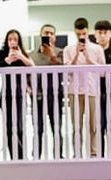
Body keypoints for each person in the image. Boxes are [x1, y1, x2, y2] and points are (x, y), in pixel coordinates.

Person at [65, 19, 103, 157]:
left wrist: (88, 57)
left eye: (84, 33)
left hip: (92, 91)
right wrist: (76, 54)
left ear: (88, 32)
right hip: (74, 91)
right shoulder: (68, 49)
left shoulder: (97, 49)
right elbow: (67, 72)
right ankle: (77, 154)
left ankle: (94, 153)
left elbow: (103, 71)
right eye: (78, 34)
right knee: (76, 126)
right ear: (75, 32)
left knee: (93, 125)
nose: (81, 36)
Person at [0, 29, 34, 160]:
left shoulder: (23, 54)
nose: (12, 42)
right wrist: (7, 60)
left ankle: (21, 156)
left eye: (15, 39)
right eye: (10, 39)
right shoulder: (2, 53)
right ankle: (13, 156)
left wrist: (20, 56)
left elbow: (32, 66)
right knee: (9, 126)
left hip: (20, 93)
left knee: (20, 125)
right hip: (6, 93)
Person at [33, 25, 63, 158]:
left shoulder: (60, 52)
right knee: (38, 128)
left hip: (55, 95)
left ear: (55, 37)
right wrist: (29, 90)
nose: (49, 35)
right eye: (46, 33)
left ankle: (58, 156)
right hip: (37, 96)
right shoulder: (32, 55)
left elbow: (62, 70)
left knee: (56, 128)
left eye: (52, 33)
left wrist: (52, 56)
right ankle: (36, 156)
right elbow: (27, 76)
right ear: (41, 35)